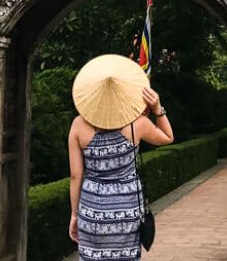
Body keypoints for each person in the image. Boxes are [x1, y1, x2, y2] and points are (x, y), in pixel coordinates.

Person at [68, 84, 173, 259]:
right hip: (127, 210)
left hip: (92, 210)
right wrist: (158, 109)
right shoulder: (136, 124)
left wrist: (74, 214)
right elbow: (168, 137)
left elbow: (75, 176)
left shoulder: (79, 124)